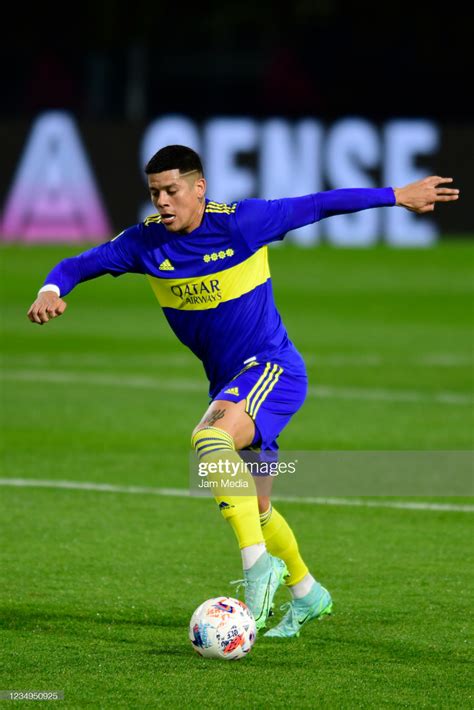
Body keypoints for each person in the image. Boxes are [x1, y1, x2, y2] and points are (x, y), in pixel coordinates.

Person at [27, 145, 459, 638]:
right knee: (256, 507)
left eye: (172, 190)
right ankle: (307, 594)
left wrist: (395, 195)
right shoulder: (143, 244)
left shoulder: (240, 223)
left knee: (209, 442)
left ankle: (258, 571)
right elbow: (76, 265)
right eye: (155, 193)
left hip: (272, 369)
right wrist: (50, 292)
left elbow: (316, 204)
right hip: (229, 382)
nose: (163, 202)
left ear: (199, 188)